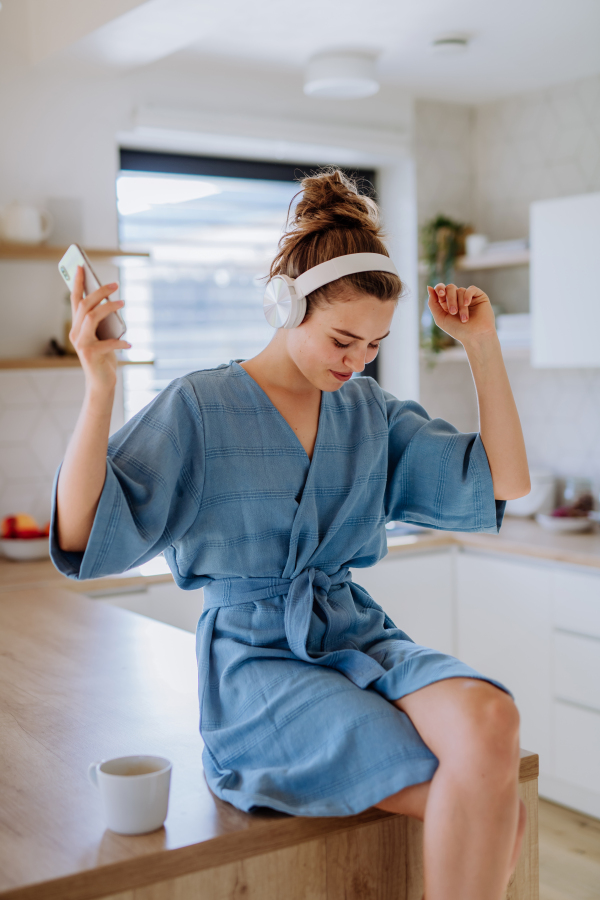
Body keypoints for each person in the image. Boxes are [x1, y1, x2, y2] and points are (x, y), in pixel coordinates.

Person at [52, 169, 531, 900]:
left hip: (355, 635)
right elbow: (85, 531)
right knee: (486, 801)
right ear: (285, 302)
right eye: (343, 338)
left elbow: (506, 482)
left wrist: (481, 345)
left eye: (373, 346)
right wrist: (98, 388)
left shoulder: (369, 411)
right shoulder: (200, 406)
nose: (356, 361)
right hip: (255, 665)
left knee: (492, 719)